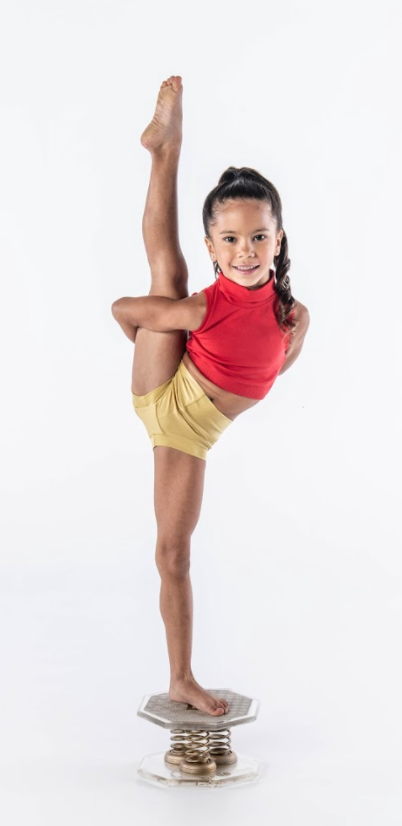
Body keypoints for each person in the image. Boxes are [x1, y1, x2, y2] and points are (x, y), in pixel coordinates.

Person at [111, 75, 310, 717]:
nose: (245, 251)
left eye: (258, 237)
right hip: (173, 414)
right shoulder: (200, 309)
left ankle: (165, 148)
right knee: (172, 553)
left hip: (199, 410)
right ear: (213, 247)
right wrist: (155, 346)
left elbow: (264, 371)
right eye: (229, 239)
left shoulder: (295, 319)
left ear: (279, 239)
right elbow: (121, 310)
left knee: (166, 279)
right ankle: (180, 679)